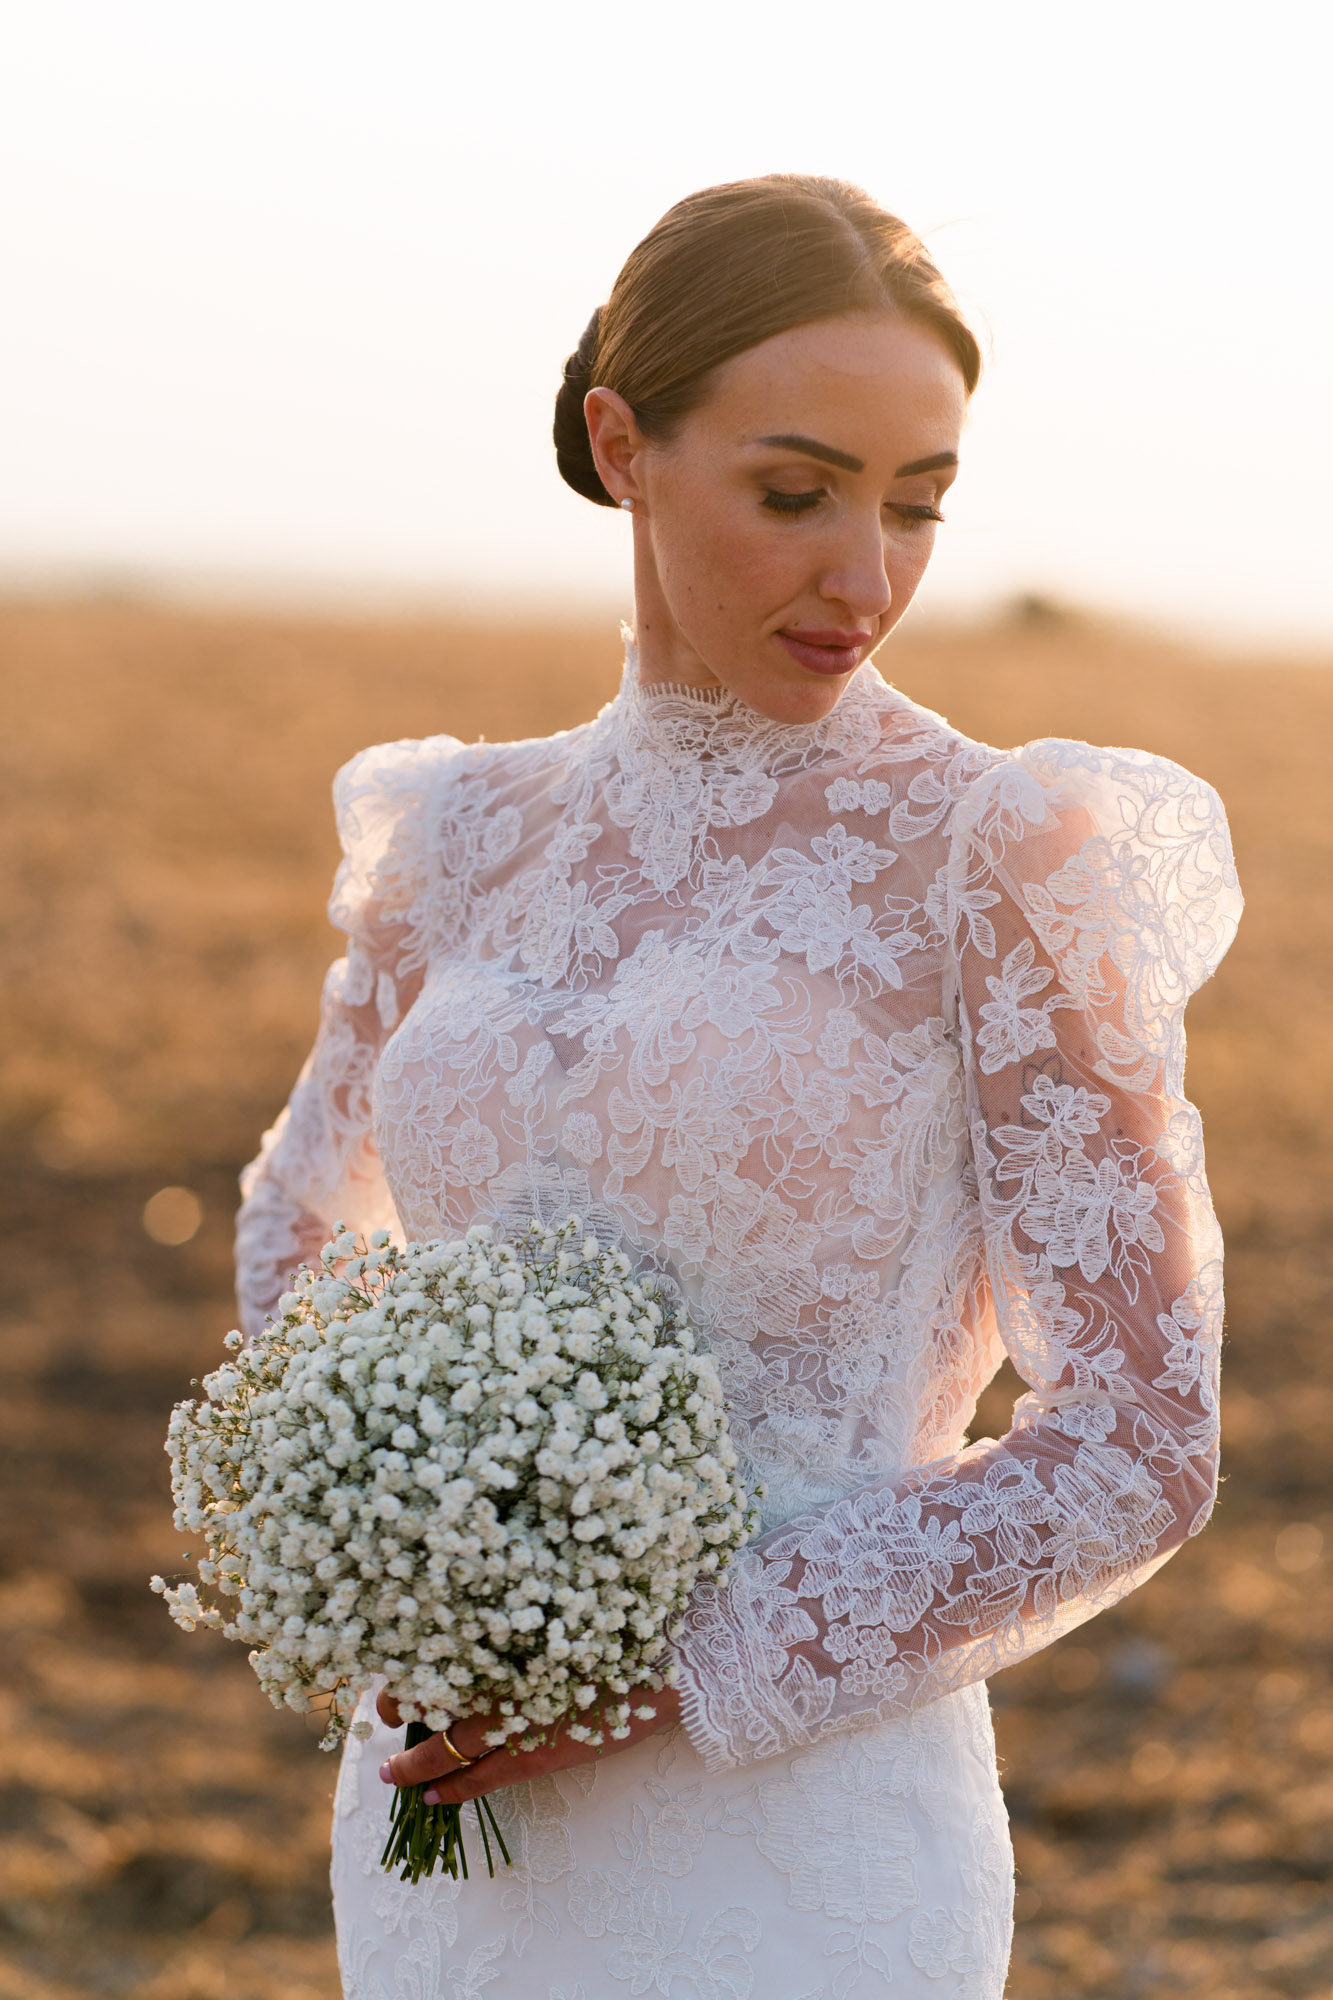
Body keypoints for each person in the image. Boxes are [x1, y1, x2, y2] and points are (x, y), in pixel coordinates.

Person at [235, 175, 1242, 2000]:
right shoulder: (455, 837)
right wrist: (394, 1531)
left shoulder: (996, 855)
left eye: (916, 506)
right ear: (624, 444)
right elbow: (304, 1214)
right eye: (796, 494)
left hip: (795, 1828)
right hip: (449, 1800)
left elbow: (1140, 1441)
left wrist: (664, 1661)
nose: (865, 576)